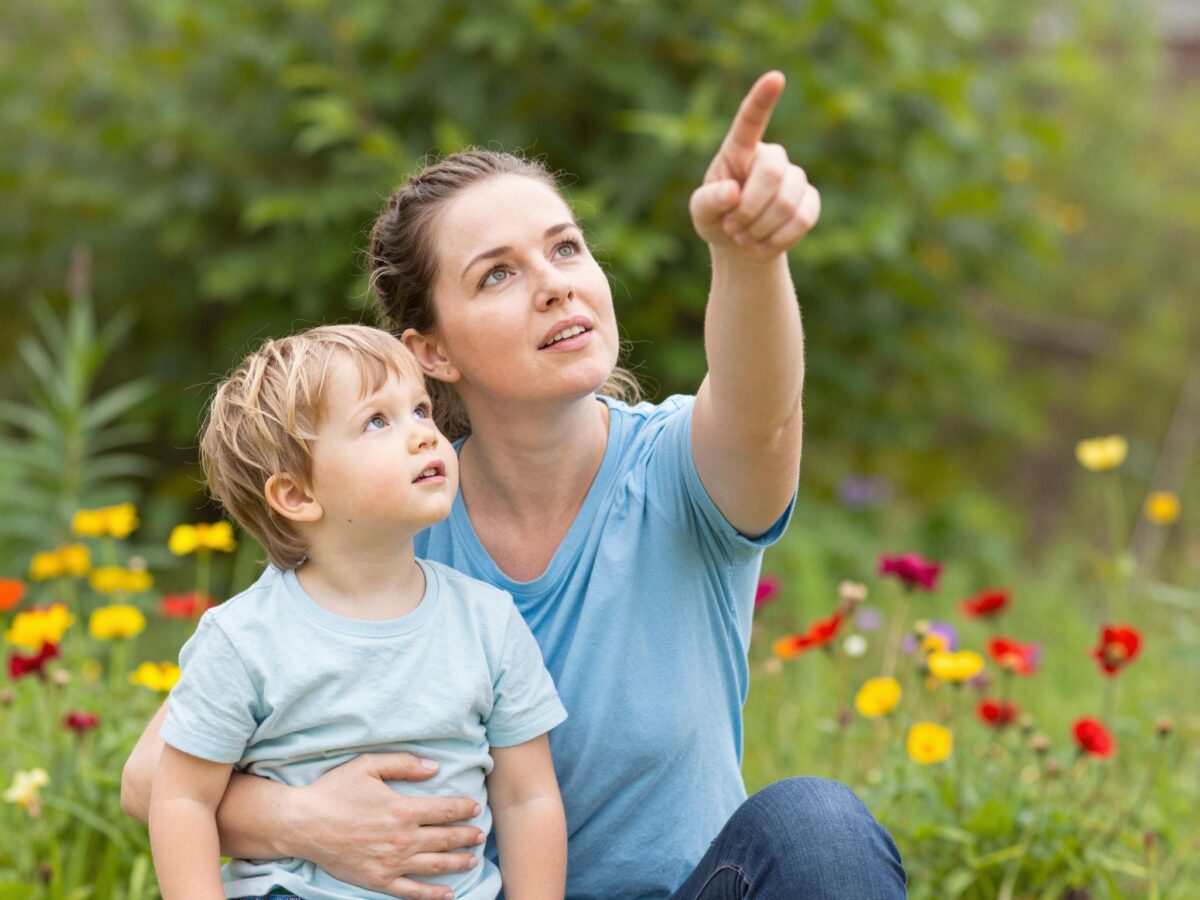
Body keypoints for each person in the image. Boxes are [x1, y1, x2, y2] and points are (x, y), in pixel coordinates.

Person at [124, 71, 907, 898]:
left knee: (816, 827)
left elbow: (761, 413)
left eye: (565, 248)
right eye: (497, 274)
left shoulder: (677, 472)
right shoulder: (390, 514)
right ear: (432, 352)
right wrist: (301, 821)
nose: (556, 283)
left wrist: (748, 259)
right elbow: (151, 779)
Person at [147, 325, 568, 900]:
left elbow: (528, 799)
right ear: (297, 495)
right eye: (377, 421)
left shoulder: (488, 622)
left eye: (420, 410)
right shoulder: (244, 639)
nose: (424, 435)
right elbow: (182, 799)